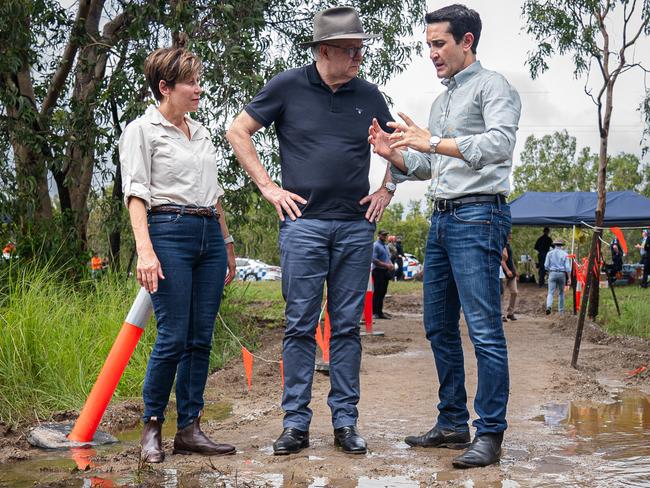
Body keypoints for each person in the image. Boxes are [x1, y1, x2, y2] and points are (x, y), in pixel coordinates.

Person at [226, 6, 395, 456]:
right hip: (303, 226)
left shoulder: (369, 95)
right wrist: (268, 188)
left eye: (361, 49)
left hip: (356, 229)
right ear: (324, 50)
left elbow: (401, 151)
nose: (358, 57)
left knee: (346, 329)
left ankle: (345, 423)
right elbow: (238, 130)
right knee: (299, 325)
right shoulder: (287, 86)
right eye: (350, 50)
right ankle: (295, 424)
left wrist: (388, 189)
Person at [368, 4, 521, 468]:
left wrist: (430, 141)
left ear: (467, 41)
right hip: (443, 219)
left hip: (480, 217)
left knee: (484, 331)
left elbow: (498, 146)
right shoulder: (442, 102)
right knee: (437, 325)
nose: (432, 53)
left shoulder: (495, 87)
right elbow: (432, 164)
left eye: (439, 44)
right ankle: (453, 421)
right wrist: (393, 154)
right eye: (428, 45)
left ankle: (489, 433)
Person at [120, 47, 237, 463]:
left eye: (198, 80)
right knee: (173, 336)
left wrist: (226, 244)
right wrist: (145, 252)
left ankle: (190, 428)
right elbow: (136, 194)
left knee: (200, 339)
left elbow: (214, 193)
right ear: (164, 87)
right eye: (190, 82)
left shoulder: (201, 132)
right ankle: (152, 427)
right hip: (167, 232)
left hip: (208, 232)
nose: (198, 89)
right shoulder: (142, 130)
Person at [544, 238, 572, 314]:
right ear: (561, 245)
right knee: (561, 293)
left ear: (554, 245)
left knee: (550, 292)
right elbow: (568, 267)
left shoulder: (549, 253)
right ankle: (561, 311)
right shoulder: (565, 254)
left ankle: (549, 306)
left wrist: (549, 271)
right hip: (562, 274)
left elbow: (546, 266)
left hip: (552, 273)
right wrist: (569, 278)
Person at [372, 230, 393, 319]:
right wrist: (386, 265)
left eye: (386, 235)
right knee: (377, 292)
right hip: (378, 271)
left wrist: (391, 264)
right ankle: (374, 312)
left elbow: (388, 258)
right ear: (379, 235)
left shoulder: (385, 246)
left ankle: (380, 312)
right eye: (383, 235)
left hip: (385, 272)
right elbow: (374, 260)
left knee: (383, 292)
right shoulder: (376, 245)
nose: (385, 236)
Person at [501, 233, 518, 321]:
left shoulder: (508, 245)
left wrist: (515, 270)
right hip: (503, 273)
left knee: (514, 292)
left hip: (512, 273)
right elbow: (502, 260)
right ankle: (501, 314)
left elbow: (510, 259)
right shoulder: (501, 244)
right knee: (501, 294)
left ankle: (510, 312)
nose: (511, 234)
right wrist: (507, 270)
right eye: (510, 233)